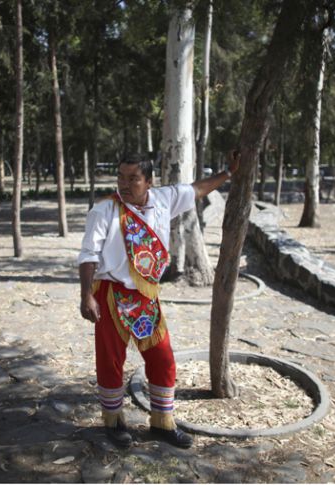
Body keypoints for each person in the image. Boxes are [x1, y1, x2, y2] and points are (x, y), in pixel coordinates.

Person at [78, 151, 241, 449]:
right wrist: (86, 294)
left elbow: (198, 189)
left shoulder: (164, 199)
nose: (125, 185)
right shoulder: (104, 211)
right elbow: (88, 255)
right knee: (111, 361)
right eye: (120, 178)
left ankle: (162, 423)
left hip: (146, 297)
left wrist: (228, 173)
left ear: (149, 182)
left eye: (133, 179)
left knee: (162, 358)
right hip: (110, 294)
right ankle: (114, 422)